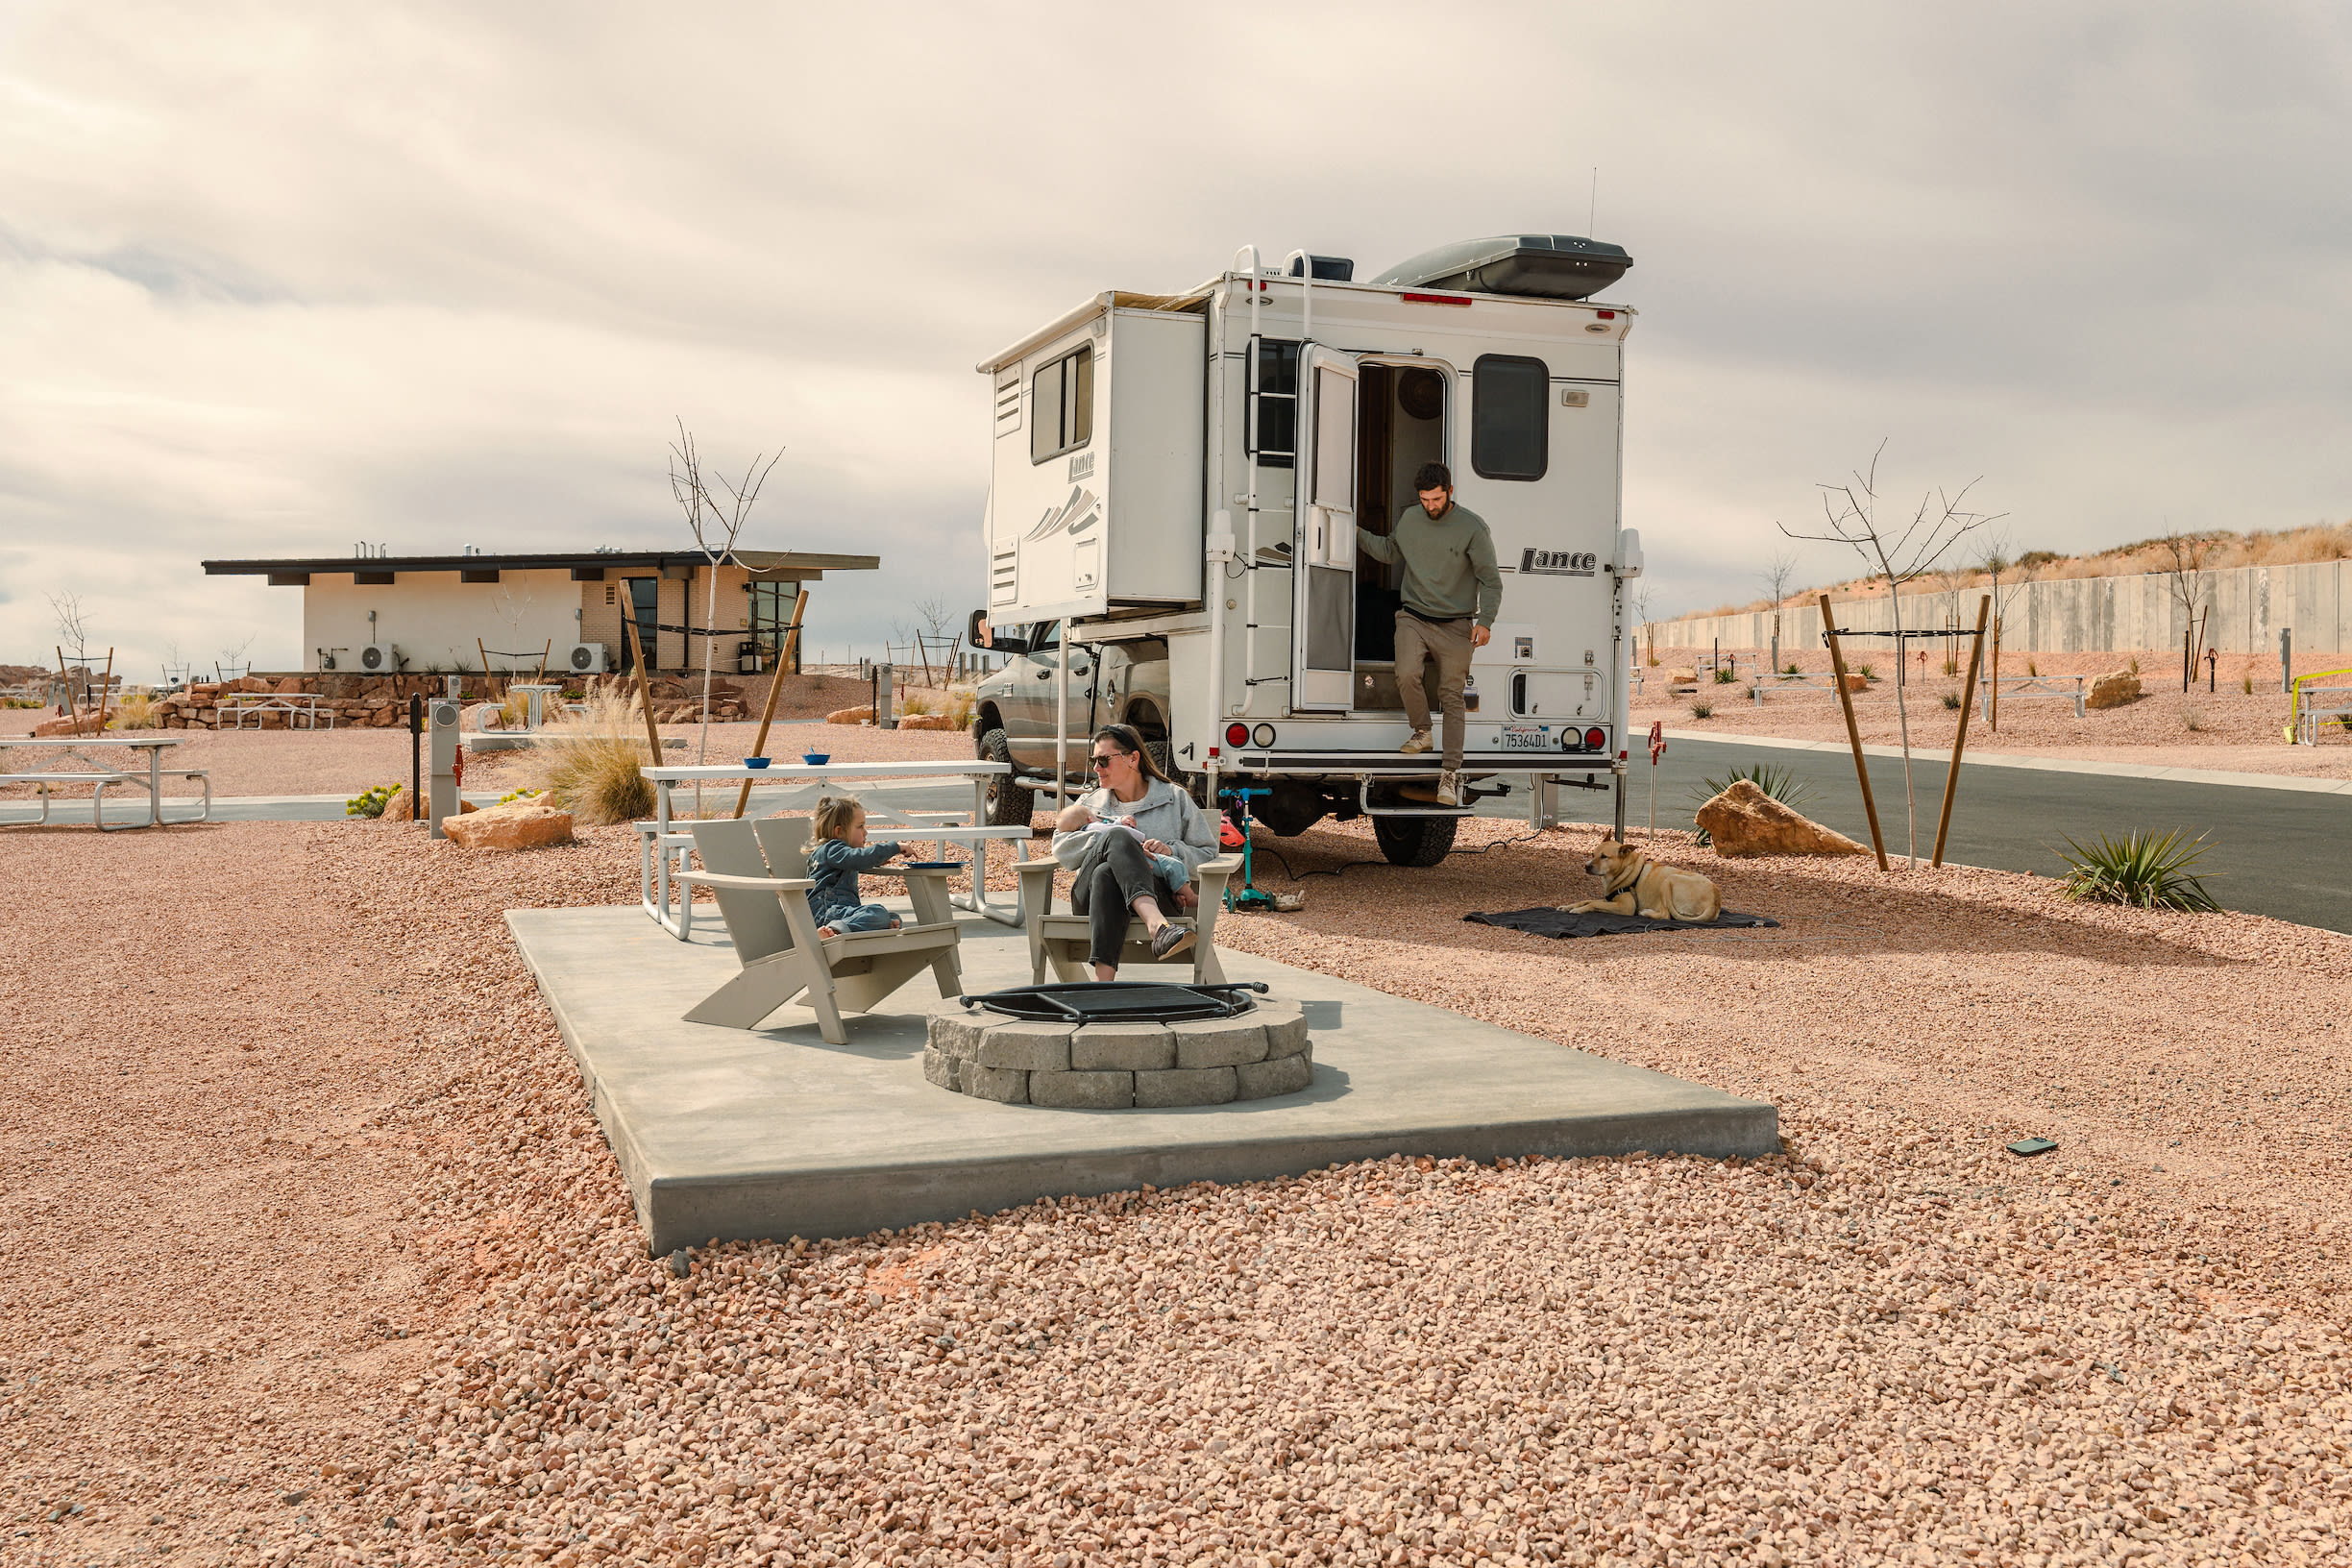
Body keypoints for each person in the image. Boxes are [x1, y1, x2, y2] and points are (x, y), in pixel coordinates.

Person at [1355, 461, 1502, 806]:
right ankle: (1422, 732)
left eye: (1436, 499)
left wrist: (1486, 622)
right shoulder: (1410, 519)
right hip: (1413, 616)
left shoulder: (1472, 527)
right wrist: (1354, 532)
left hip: (1456, 624)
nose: (1431, 506)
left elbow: (1491, 581)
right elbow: (1389, 551)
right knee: (1406, 673)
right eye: (1425, 500)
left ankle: (1449, 776)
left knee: (1452, 697)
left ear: (1450, 492)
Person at [1048, 724, 1219, 981]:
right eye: (1093, 760)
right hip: (1090, 902)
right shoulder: (1090, 804)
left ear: (1133, 758)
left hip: (1161, 896)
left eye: (1104, 760)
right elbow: (1061, 849)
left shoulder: (1174, 798)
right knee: (1117, 838)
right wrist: (1111, 839)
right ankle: (1157, 927)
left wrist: (1172, 849)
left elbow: (1207, 851)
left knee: (1107, 871)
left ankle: (1102, 987)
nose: (1096, 768)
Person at [803, 795, 904, 939]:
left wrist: (876, 861)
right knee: (878, 914)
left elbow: (856, 858)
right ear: (839, 832)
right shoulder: (832, 848)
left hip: (840, 914)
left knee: (890, 917)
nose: (865, 832)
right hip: (827, 915)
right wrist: (895, 847)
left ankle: (838, 931)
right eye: (860, 826)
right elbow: (861, 857)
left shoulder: (835, 854)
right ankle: (833, 932)